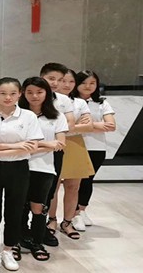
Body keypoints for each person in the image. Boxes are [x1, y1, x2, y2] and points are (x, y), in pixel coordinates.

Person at [0, 78, 43, 273]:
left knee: (15, 211)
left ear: (19, 94)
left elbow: (32, 146)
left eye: (13, 93)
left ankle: (8, 250)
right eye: (3, 93)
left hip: (19, 168)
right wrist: (17, 146)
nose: (8, 97)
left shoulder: (28, 116)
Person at [18, 77, 68, 261]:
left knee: (39, 206)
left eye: (39, 92)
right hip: (19, 166)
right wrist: (47, 144)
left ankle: (37, 242)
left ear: (47, 93)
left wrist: (30, 146)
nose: (34, 96)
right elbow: (14, 142)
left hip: (45, 168)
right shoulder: (18, 114)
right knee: (19, 206)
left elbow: (60, 144)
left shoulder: (57, 116)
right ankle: (18, 240)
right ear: (23, 93)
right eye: (30, 92)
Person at [47, 69, 94, 239]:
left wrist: (67, 127)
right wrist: (72, 126)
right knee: (52, 187)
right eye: (62, 80)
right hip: (53, 145)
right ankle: (51, 219)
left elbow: (89, 126)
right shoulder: (46, 100)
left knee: (73, 187)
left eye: (71, 81)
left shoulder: (80, 103)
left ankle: (67, 222)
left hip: (75, 145)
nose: (66, 85)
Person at [71, 70, 116, 228]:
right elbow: (69, 126)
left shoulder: (102, 103)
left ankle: (82, 210)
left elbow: (111, 126)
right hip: (76, 146)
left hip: (97, 147)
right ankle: (74, 213)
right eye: (84, 83)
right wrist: (97, 125)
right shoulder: (71, 103)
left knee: (88, 180)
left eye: (92, 83)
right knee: (74, 182)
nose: (88, 86)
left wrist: (86, 125)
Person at [38, 63, 76, 247]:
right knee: (26, 192)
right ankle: (23, 229)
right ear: (41, 77)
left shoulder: (63, 100)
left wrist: (57, 133)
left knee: (50, 189)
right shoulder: (30, 96)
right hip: (28, 151)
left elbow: (70, 124)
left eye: (60, 80)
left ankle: (42, 226)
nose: (55, 83)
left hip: (55, 151)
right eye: (51, 78)